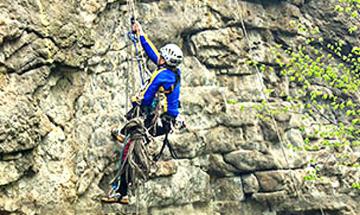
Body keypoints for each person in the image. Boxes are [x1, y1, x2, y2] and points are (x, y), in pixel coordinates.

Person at [103, 21, 184, 204]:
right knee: (132, 131)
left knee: (130, 151)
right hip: (167, 121)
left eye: (162, 57)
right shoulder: (173, 71)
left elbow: (146, 98)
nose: (159, 58)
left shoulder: (161, 75)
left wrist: (136, 99)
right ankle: (123, 133)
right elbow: (153, 54)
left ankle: (121, 192)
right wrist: (140, 34)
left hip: (159, 122)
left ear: (166, 60)